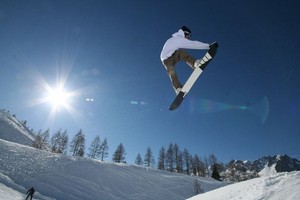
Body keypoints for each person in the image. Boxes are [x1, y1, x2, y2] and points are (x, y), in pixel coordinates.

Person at [160, 26, 212, 94]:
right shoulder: (179, 39)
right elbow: (193, 44)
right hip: (166, 59)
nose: (188, 38)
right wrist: (208, 46)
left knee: (171, 71)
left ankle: (177, 88)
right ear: (185, 33)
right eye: (189, 36)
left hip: (168, 57)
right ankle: (194, 64)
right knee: (172, 70)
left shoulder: (175, 38)